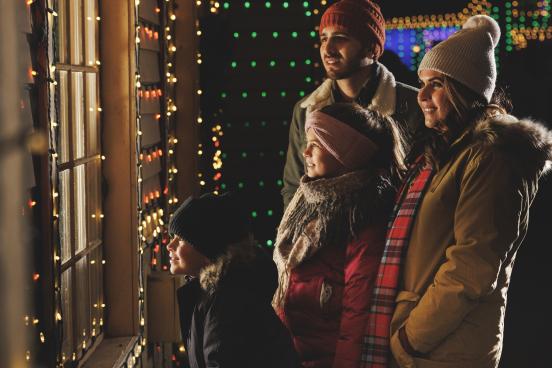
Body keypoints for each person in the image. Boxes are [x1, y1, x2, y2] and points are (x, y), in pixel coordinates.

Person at [360, 15, 552, 368]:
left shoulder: (493, 155)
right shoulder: (447, 151)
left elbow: (473, 265)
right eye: (422, 83)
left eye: (436, 84)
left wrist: (410, 337)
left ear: (465, 91)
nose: (422, 96)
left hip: (448, 350)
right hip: (431, 346)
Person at [273, 102, 407, 368]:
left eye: (317, 144)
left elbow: (358, 311)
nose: (305, 151)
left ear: (346, 154)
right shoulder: (309, 202)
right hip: (295, 354)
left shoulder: (360, 217)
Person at [282, 0, 423, 209]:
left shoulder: (415, 105)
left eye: (340, 38)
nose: (327, 49)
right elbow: (294, 188)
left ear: (370, 48)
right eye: (324, 38)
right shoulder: (305, 110)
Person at [167, 192, 299, 368]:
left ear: (208, 249)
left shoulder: (227, 301)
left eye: (181, 239)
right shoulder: (217, 291)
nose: (170, 246)